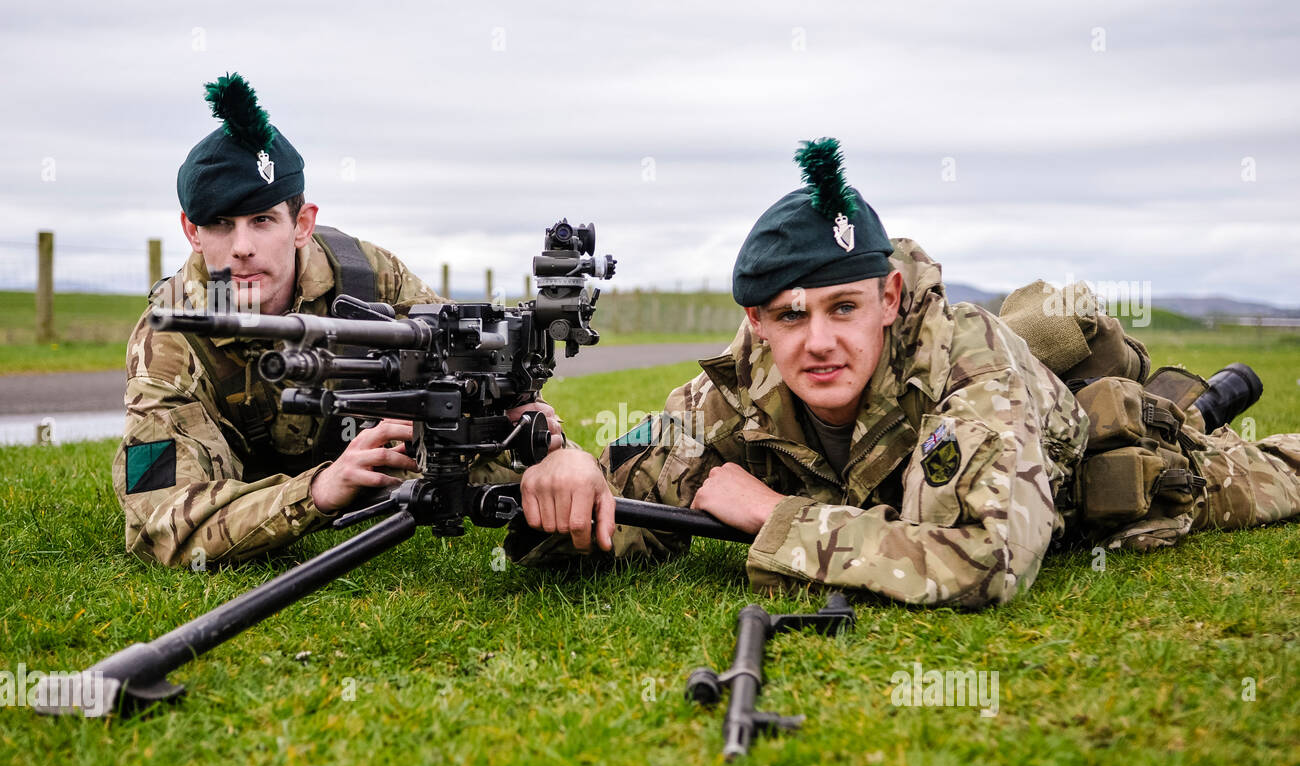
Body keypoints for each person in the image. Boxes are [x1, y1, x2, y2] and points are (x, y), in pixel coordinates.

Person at [507, 139, 1300, 607]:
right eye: (789, 315)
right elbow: (612, 507)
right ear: (756, 323)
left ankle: (1194, 412)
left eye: (842, 308)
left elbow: (987, 559)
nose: (817, 341)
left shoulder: (968, 362)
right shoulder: (733, 391)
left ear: (889, 297)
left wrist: (775, 517)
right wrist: (563, 466)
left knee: (1226, 470)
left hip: (1082, 464)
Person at [113, 73, 555, 567]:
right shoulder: (173, 335)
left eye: (262, 220)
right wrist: (319, 491)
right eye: (219, 224)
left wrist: (515, 423)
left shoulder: (370, 279)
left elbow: (471, 375)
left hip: (381, 465)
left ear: (301, 224)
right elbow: (163, 523)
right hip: (243, 483)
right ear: (191, 231)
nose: (241, 247)